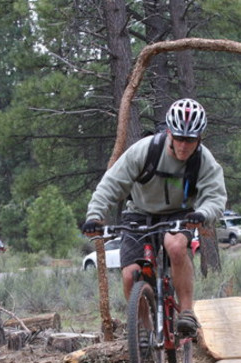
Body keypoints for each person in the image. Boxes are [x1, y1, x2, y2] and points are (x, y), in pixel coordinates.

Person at [81, 98, 227, 337]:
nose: (183, 145)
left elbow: (216, 197)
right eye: (178, 138)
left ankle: (187, 312)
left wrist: (202, 214)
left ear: (199, 138)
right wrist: (95, 215)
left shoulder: (203, 160)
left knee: (176, 245)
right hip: (139, 212)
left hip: (180, 214)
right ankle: (144, 330)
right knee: (130, 274)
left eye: (189, 140)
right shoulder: (145, 150)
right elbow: (110, 184)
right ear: (169, 132)